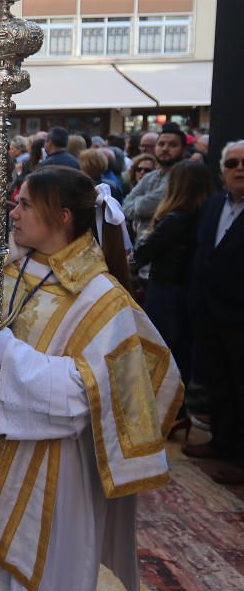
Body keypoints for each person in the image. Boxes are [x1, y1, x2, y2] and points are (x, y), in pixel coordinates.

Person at [0, 166, 181, 591]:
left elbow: (88, 392)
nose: (13, 212)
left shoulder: (101, 298)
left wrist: (13, 355)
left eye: (25, 204)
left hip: (48, 469)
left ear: (62, 216)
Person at [133, 160, 212, 438]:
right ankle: (177, 411)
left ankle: (168, 412)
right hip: (189, 290)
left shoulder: (176, 218)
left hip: (167, 290)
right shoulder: (206, 215)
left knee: (163, 352)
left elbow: (146, 251)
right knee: (181, 352)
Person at [184, 140, 244, 485]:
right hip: (210, 314)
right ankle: (221, 442)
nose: (239, 169)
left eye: (243, 163)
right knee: (218, 381)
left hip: (240, 316)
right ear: (221, 172)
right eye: (232, 163)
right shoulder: (212, 206)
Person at [123, 124, 186, 241]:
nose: (165, 148)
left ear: (183, 149)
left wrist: (138, 204)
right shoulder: (150, 176)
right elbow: (125, 205)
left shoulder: (182, 177)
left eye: (173, 145)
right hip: (141, 245)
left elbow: (144, 207)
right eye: (161, 144)